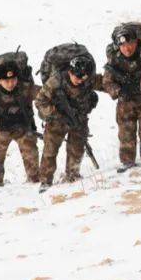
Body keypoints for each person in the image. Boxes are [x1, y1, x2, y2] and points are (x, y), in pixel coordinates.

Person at [36, 52, 98, 190]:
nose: (80, 80)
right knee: (50, 151)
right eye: (77, 77)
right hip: (56, 121)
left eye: (83, 78)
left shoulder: (87, 80)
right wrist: (55, 113)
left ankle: (73, 175)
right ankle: (46, 181)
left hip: (78, 120)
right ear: (70, 71)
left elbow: (95, 92)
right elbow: (40, 101)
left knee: (77, 148)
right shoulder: (55, 82)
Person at [0, 56, 40, 187]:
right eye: (6, 81)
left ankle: (33, 180)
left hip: (22, 128)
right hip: (0, 131)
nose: (11, 83)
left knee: (31, 154)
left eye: (13, 79)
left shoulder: (25, 88)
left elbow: (45, 94)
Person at [102, 24, 141, 170]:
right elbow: (107, 81)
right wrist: (118, 91)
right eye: (122, 45)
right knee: (126, 134)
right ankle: (127, 161)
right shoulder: (114, 60)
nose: (127, 48)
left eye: (129, 44)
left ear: (136, 42)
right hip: (125, 103)